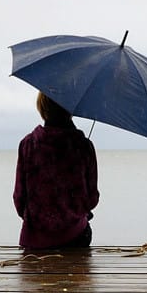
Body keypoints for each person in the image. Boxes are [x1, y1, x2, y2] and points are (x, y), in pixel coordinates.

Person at [13, 92, 99, 249]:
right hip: (75, 237)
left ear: (42, 107)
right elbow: (92, 199)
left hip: (35, 240)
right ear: (70, 109)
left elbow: (19, 199)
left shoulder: (27, 144)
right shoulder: (84, 146)